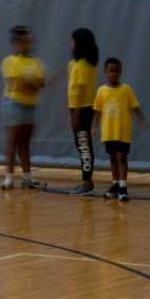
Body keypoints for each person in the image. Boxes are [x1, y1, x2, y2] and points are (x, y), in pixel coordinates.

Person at [92, 58, 146, 202]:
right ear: (105, 72)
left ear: (120, 72)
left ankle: (123, 187)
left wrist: (142, 120)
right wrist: (95, 126)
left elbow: (135, 107)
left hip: (123, 131)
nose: (114, 74)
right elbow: (97, 111)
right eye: (111, 71)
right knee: (112, 158)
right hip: (109, 132)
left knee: (121, 158)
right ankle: (115, 184)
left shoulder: (126, 90)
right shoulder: (101, 91)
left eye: (116, 71)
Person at [0, 25, 46, 190]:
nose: (28, 45)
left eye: (29, 42)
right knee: (12, 141)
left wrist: (30, 83)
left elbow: (40, 83)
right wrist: (30, 83)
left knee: (25, 143)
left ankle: (27, 178)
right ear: (16, 44)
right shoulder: (9, 61)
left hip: (30, 105)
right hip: (13, 104)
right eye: (24, 42)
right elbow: (16, 83)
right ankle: (8, 178)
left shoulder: (36, 62)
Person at [66, 28, 100, 195]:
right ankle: (86, 180)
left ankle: (87, 182)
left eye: (72, 41)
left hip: (82, 110)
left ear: (79, 44)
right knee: (83, 145)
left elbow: (79, 92)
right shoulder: (83, 64)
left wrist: (76, 115)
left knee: (84, 145)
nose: (70, 44)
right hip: (79, 108)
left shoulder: (81, 66)